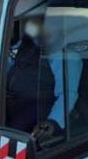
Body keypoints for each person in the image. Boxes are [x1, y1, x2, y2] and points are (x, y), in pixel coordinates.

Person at [4, 13, 61, 143]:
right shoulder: (26, 44)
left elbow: (68, 93)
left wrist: (54, 121)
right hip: (12, 99)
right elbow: (11, 64)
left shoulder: (60, 53)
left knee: (13, 133)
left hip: (37, 105)